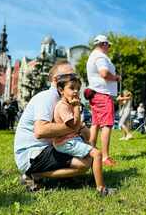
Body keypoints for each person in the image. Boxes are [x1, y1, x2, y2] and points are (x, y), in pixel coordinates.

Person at [14, 61, 92, 191]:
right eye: (69, 75)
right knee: (84, 163)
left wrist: (79, 127)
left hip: (48, 148)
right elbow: (40, 131)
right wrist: (75, 127)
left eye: (74, 75)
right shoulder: (47, 97)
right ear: (56, 80)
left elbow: (85, 133)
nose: (74, 78)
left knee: (90, 148)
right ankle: (33, 174)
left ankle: (62, 175)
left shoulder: (66, 99)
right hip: (31, 154)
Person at [53, 73, 115, 196]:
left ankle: (95, 179)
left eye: (78, 89)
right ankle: (101, 189)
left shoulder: (68, 103)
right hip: (65, 143)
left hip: (71, 140)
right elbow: (74, 125)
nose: (76, 91)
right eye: (72, 88)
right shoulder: (62, 106)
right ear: (61, 90)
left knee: (93, 152)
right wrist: (76, 107)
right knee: (97, 154)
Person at [86, 35, 121, 166]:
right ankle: (105, 157)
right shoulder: (100, 57)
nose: (109, 48)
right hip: (102, 93)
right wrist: (117, 78)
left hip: (95, 93)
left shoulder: (93, 55)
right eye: (109, 45)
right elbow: (104, 73)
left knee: (95, 123)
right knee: (107, 124)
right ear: (103, 44)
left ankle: (90, 150)